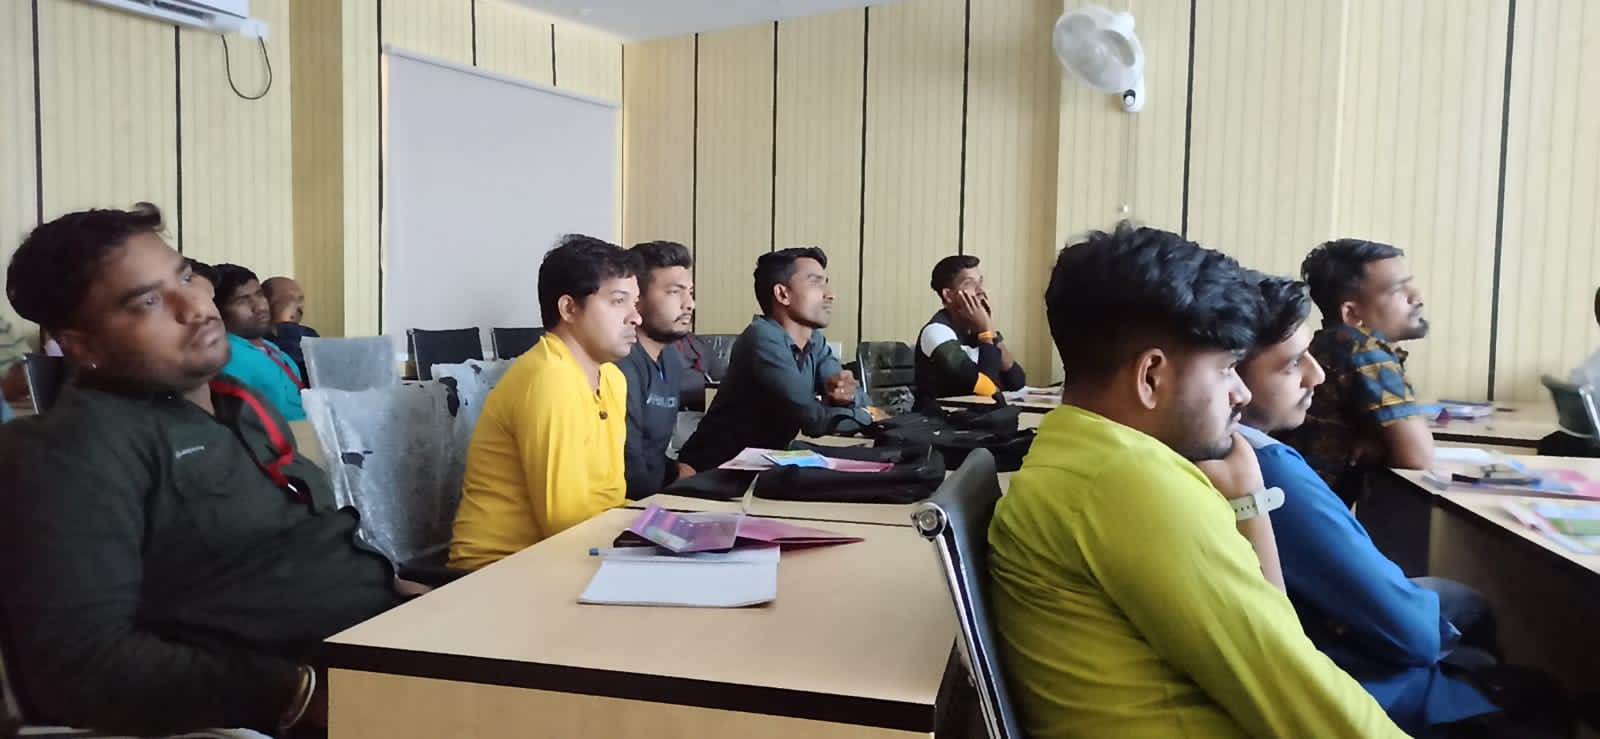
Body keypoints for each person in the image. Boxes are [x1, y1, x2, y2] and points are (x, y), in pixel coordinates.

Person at [0, 205, 409, 736]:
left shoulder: (237, 406)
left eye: (186, 277)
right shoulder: (72, 451)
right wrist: (297, 694)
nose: (194, 307)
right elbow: (82, 668)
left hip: (389, 645)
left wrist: (403, 600)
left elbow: (297, 549)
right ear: (81, 344)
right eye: (148, 301)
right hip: (313, 699)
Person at [988, 223, 1406, 738]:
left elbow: (1277, 652)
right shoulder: (1129, 485)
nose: (1241, 393)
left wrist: (1248, 502)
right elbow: (1304, 698)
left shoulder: (1076, 456)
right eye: (1227, 368)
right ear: (1151, 376)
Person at [1233, 273, 1520, 736]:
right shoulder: (1266, 468)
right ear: (1231, 375)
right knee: (1481, 630)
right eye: (1291, 365)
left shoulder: (1209, 453)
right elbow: (1411, 632)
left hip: (1317, 656)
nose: (1316, 375)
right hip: (1357, 690)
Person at [449, 235, 641, 570]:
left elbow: (608, 497)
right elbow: (565, 522)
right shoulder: (549, 377)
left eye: (635, 303)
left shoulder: (612, 378)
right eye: (618, 301)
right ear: (569, 308)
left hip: (566, 556)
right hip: (496, 570)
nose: (635, 317)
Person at [676, 247, 878, 472]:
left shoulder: (815, 341)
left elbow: (850, 392)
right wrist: (866, 415)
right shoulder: (762, 338)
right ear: (782, 294)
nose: (830, 294)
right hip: (712, 471)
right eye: (816, 282)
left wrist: (851, 398)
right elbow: (814, 420)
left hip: (758, 468)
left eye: (826, 283)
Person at [1274, 239, 1434, 504]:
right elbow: (1419, 458)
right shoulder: (1360, 348)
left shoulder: (1329, 343)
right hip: (1307, 509)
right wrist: (1387, 444)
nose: (1416, 297)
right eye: (1398, 289)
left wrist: (1379, 442)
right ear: (1351, 313)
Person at [617, 241, 697, 499]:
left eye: (690, 292)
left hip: (656, 494)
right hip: (630, 506)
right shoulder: (620, 363)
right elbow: (628, 467)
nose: (689, 304)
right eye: (674, 292)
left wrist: (673, 471)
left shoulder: (671, 357)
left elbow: (651, 449)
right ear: (636, 300)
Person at [912, 255, 1026, 410]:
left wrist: (990, 329)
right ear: (948, 295)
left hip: (971, 419)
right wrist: (985, 331)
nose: (981, 291)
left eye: (981, 283)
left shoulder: (975, 328)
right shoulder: (936, 332)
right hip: (940, 420)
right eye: (970, 284)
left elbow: (1017, 382)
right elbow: (985, 389)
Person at [213, 263, 307, 421]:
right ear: (218, 311)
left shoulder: (270, 347)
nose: (260, 307)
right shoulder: (225, 355)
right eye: (242, 301)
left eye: (259, 294)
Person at [262, 276, 320, 379]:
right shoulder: (255, 337)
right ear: (264, 302)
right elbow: (290, 370)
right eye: (288, 299)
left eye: (300, 299)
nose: (296, 305)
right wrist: (286, 324)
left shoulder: (309, 334)